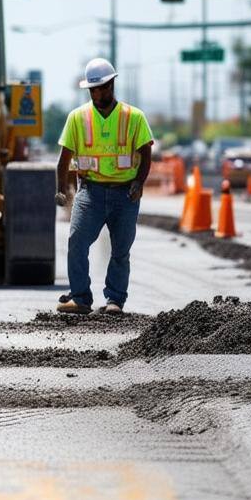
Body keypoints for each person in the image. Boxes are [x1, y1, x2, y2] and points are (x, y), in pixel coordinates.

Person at [54, 58, 154, 315]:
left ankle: (114, 300)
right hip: (90, 192)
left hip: (125, 193)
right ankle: (80, 297)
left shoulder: (134, 118)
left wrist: (139, 183)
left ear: (112, 85)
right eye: (93, 90)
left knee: (121, 249)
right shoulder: (77, 118)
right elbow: (63, 159)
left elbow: (145, 153)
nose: (98, 93)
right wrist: (61, 189)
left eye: (103, 88)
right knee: (77, 241)